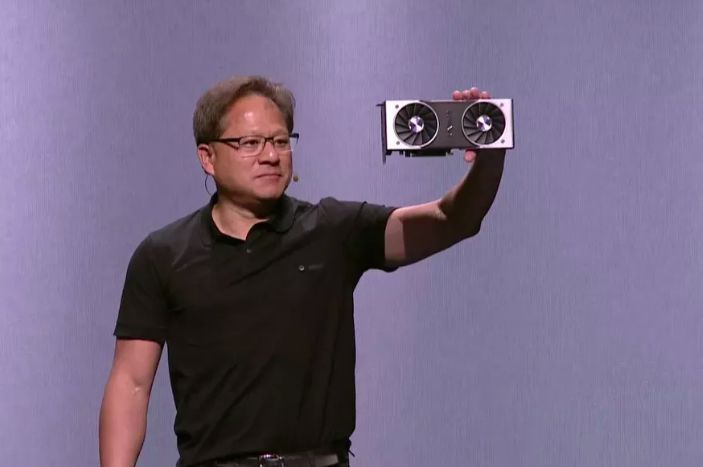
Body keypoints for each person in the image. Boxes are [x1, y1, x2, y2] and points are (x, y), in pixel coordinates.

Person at [99, 75, 506, 467]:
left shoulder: (333, 231)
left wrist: (489, 157)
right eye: (250, 143)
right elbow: (131, 384)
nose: (271, 155)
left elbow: (452, 219)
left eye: (280, 141)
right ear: (208, 157)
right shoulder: (163, 255)